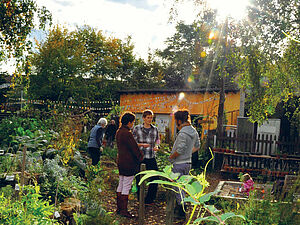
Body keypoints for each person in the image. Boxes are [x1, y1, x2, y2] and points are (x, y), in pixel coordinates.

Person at [169, 109, 200, 219]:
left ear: (178, 120)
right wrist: (188, 153)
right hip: (188, 162)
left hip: (179, 163)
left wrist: (171, 156)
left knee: (178, 187)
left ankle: (181, 210)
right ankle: (182, 208)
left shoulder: (182, 133)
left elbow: (180, 149)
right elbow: (197, 146)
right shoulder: (194, 131)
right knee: (183, 186)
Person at [116, 112, 144, 218]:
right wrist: (141, 157)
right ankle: (124, 210)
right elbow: (134, 148)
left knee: (121, 184)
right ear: (129, 122)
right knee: (126, 185)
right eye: (132, 122)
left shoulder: (119, 131)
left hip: (121, 161)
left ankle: (119, 208)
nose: (133, 124)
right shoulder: (127, 133)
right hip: (128, 163)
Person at [133, 109, 160, 205]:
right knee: (140, 179)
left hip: (151, 156)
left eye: (151, 118)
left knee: (155, 178)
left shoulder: (155, 129)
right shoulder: (137, 129)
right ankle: (140, 199)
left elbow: (157, 141)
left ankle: (149, 200)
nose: (150, 119)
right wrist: (142, 145)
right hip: (141, 157)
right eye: (148, 117)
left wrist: (157, 146)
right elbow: (133, 143)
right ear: (143, 118)